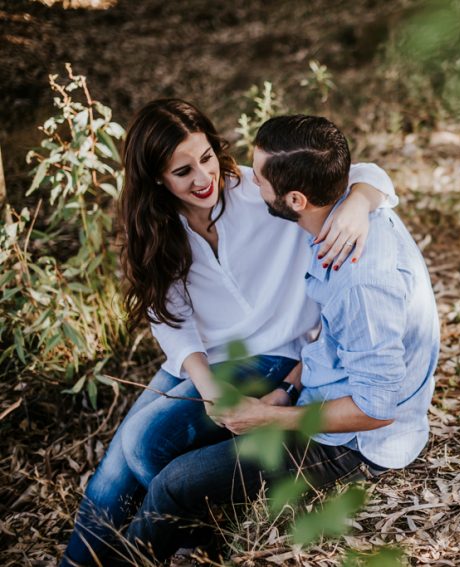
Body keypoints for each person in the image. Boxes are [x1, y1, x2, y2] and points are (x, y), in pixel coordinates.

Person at [60, 100, 398, 566]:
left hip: (278, 353)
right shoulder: (157, 227)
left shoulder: (262, 194)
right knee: (113, 471)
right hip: (203, 357)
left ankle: (195, 523)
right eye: (183, 171)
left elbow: (364, 173)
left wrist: (359, 202)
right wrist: (207, 385)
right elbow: (170, 320)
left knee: (145, 445)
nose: (203, 178)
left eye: (206, 158)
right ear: (157, 178)